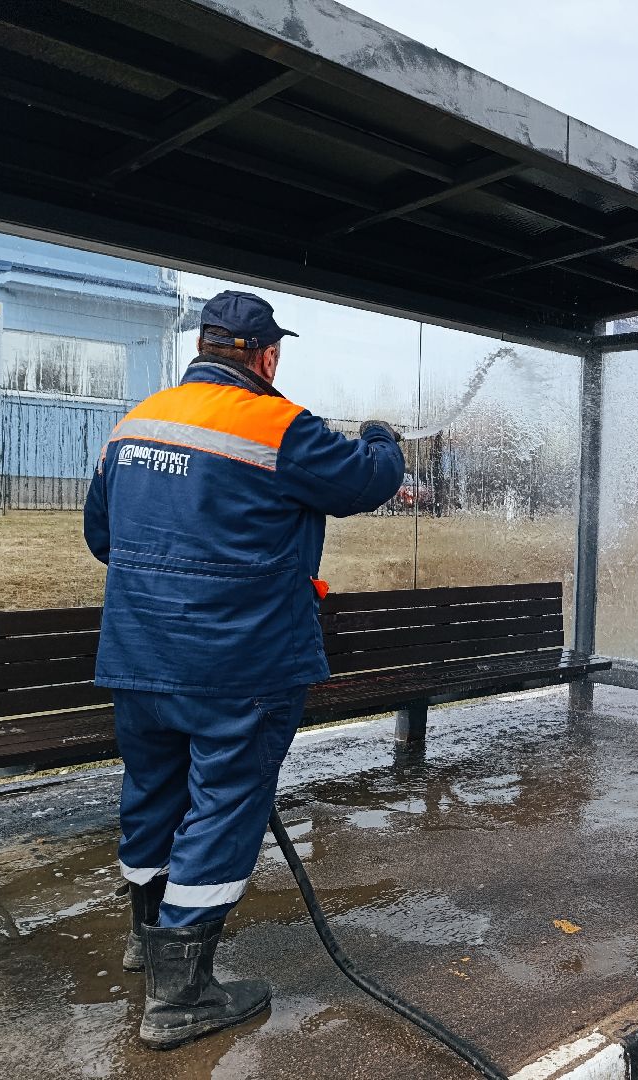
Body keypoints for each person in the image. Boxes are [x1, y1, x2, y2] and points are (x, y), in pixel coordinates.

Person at [83, 291, 405, 1049]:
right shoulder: (280, 426)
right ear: (265, 357)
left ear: (203, 348)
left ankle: (147, 938)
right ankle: (181, 995)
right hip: (239, 668)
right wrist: (384, 439)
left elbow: (104, 536)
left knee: (152, 795)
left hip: (137, 659)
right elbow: (367, 480)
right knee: (225, 805)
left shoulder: (135, 423)